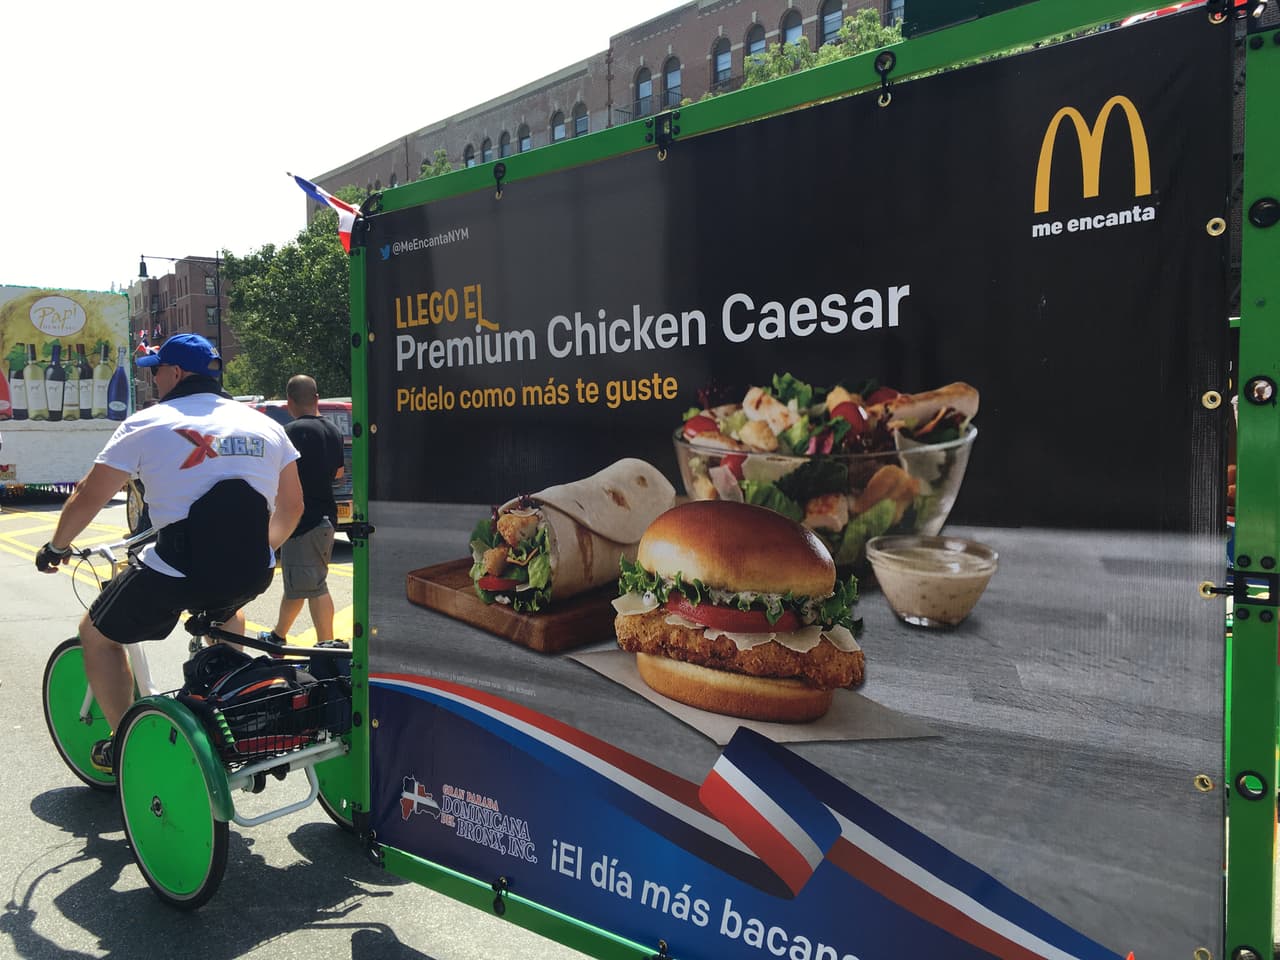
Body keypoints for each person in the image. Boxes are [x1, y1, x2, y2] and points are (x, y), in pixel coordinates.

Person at [35, 334, 303, 773]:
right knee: (225, 618)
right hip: (251, 570)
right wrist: (257, 549)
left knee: (97, 635)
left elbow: (88, 496)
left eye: (156, 370)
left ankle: (126, 745)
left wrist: (57, 546)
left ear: (176, 373)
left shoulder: (149, 422)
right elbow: (293, 508)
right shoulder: (265, 425)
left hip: (176, 569)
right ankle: (230, 713)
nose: (154, 378)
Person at [259, 374, 344, 646]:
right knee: (300, 583)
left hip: (301, 520)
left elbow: (276, 475)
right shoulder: (332, 431)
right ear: (317, 398)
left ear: (289, 403)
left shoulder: (290, 433)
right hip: (327, 517)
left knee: (314, 585)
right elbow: (339, 474)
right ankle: (278, 636)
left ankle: (328, 647)